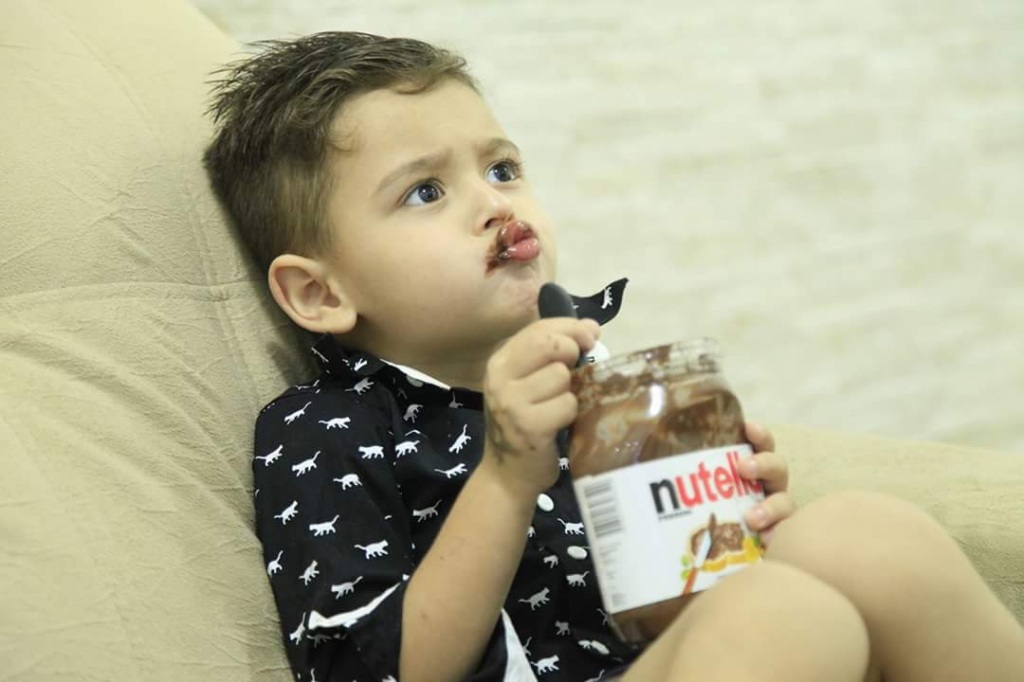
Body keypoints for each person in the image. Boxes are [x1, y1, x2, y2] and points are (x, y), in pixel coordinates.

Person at [203, 31, 1024, 682]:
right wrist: (506, 478)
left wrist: (729, 535)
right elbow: (369, 670)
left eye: (502, 168)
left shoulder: (595, 385)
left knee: (863, 535)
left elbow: (658, 619)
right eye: (426, 191)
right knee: (784, 614)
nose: (493, 202)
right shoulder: (324, 430)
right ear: (320, 294)